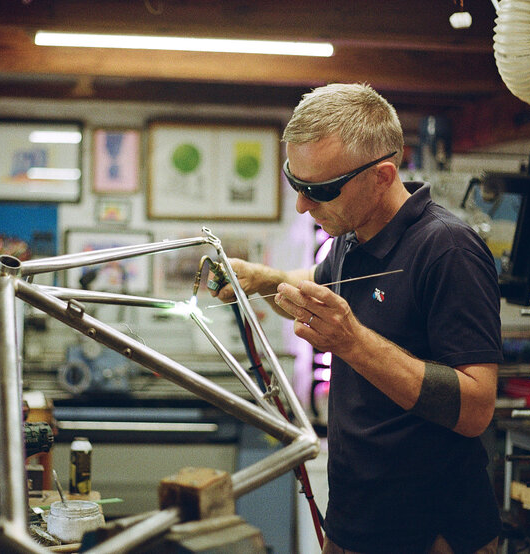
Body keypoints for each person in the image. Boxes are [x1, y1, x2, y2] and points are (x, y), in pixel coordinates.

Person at [212, 83, 502, 554]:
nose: (304, 205)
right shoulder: (350, 237)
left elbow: (475, 409)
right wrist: (264, 280)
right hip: (353, 520)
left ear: (383, 175)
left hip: (431, 534)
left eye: (320, 190)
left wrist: (353, 343)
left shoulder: (447, 249)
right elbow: (316, 292)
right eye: (296, 182)